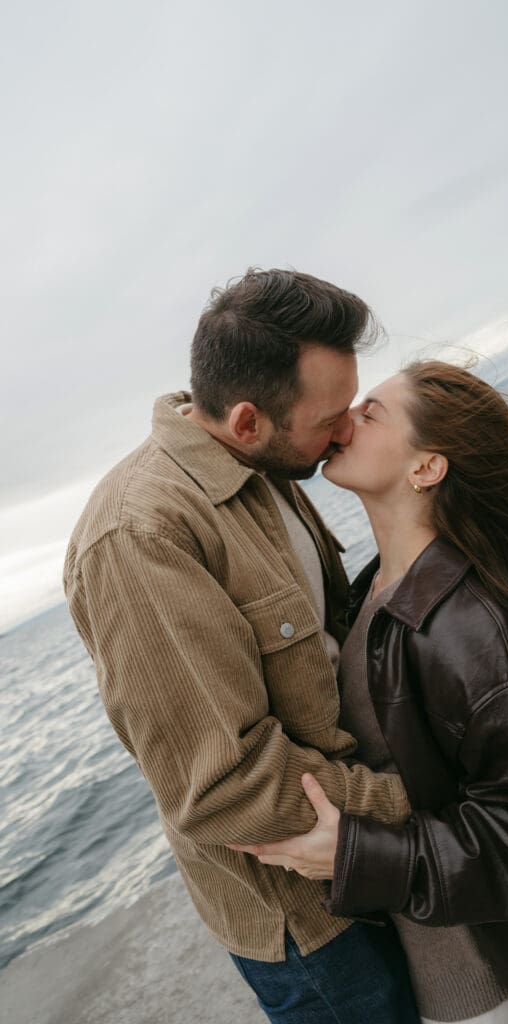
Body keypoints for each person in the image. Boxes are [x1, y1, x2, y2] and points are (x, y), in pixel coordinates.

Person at [231, 361, 508, 1023]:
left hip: (498, 984)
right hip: (465, 969)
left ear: (425, 468)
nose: (344, 419)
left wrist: (358, 855)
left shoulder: (466, 627)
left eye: (371, 411)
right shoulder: (376, 597)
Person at [64, 269, 421, 1024]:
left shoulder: (263, 466)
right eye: (330, 418)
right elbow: (224, 782)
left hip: (359, 856)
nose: (347, 428)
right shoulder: (140, 535)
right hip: (315, 924)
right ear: (250, 419)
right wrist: (417, 805)